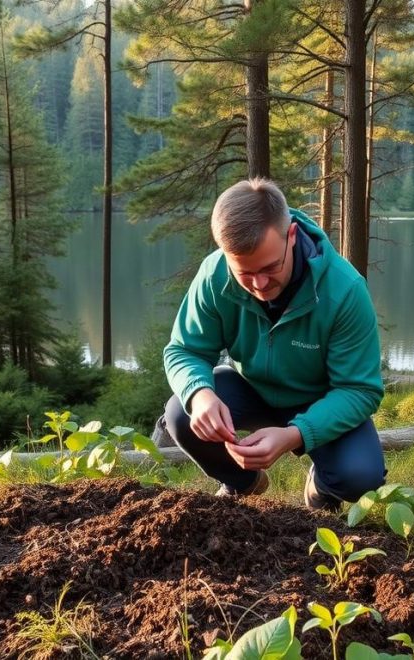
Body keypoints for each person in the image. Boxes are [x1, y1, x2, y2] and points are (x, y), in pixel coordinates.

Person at [162, 178, 386, 510]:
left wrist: (296, 433)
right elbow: (184, 350)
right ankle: (242, 482)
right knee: (182, 413)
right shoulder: (214, 276)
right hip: (252, 391)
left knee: (361, 476)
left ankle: (322, 488)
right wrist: (200, 394)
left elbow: (360, 390)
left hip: (322, 401)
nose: (260, 284)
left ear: (291, 236)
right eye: (245, 274)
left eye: (270, 267)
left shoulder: (345, 289)